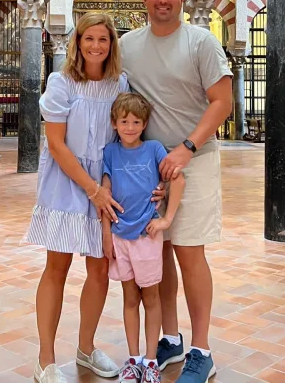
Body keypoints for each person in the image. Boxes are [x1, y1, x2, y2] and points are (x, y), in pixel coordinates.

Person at [24, 13, 165, 383]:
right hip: (68, 183)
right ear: (78, 41)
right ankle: (46, 360)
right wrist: (92, 189)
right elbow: (56, 144)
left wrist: (147, 181)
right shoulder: (61, 83)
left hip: (106, 187)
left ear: (111, 44)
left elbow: (128, 138)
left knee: (100, 267)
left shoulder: (120, 84)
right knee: (57, 266)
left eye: (103, 39)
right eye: (89, 38)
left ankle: (85, 350)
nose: (96, 46)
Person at [120, 0, 233, 383]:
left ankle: (202, 349)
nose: (163, 0)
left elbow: (222, 102)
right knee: (158, 252)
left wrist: (187, 148)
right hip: (150, 166)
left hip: (194, 160)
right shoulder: (129, 45)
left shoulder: (201, 42)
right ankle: (170, 339)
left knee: (189, 251)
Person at [102, 93, 185, 383]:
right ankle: (133, 359)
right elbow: (106, 192)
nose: (130, 126)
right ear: (114, 123)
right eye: (124, 121)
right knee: (129, 298)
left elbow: (177, 178)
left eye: (136, 121)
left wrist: (166, 220)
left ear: (144, 123)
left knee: (151, 297)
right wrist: (106, 236)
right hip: (119, 237)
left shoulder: (154, 149)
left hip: (147, 236)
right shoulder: (110, 153)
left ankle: (151, 360)